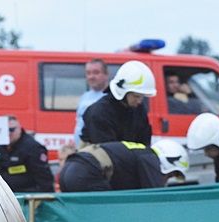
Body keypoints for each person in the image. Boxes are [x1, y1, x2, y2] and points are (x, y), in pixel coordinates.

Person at [59, 139, 189, 192]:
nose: (166, 179)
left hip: (69, 169)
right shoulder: (151, 160)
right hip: (85, 173)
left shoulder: (140, 153)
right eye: (170, 174)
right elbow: (155, 200)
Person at [80, 60, 156, 147]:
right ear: (122, 92)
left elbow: (145, 142)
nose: (139, 101)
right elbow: (108, 151)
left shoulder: (138, 109)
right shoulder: (98, 113)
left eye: (142, 96)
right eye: (136, 96)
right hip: (98, 157)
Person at [0, 115, 54, 192]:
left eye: (11, 129)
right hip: (9, 194)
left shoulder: (32, 148)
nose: (8, 133)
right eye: (5, 130)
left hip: (29, 196)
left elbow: (44, 179)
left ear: (19, 129)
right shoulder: (2, 146)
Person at [73, 59, 109, 146]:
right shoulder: (84, 97)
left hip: (98, 148)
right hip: (81, 148)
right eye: (88, 73)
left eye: (96, 72)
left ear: (106, 75)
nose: (91, 76)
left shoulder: (111, 97)